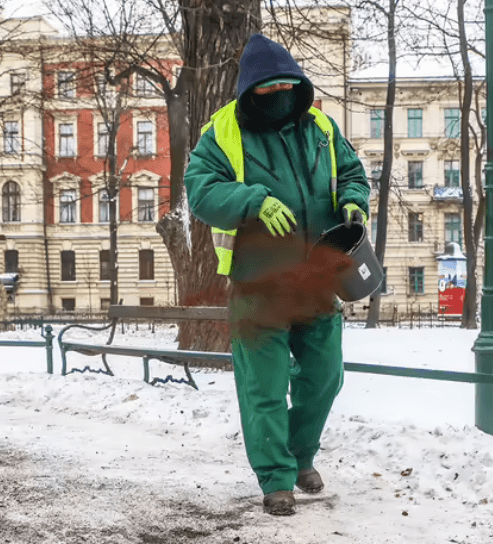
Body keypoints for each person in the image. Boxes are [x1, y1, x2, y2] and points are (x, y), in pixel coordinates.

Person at [184, 33, 370, 516]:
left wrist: (354, 200)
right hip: (257, 285)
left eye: (289, 86)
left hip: (317, 280)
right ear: (250, 90)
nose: (280, 96)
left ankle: (299, 455)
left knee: (324, 378)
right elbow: (200, 192)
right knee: (263, 388)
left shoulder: (322, 129)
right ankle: (276, 479)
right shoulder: (222, 133)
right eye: (269, 89)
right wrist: (252, 200)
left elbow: (353, 172)